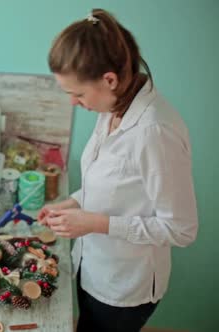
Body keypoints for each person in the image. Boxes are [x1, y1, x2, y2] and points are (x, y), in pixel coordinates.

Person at [38, 8, 198, 332]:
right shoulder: (113, 106)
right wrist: (72, 204)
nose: (73, 102)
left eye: (78, 93)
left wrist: (95, 223)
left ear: (109, 79)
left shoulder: (155, 132)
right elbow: (117, 187)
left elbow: (181, 229)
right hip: (93, 268)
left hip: (124, 288)